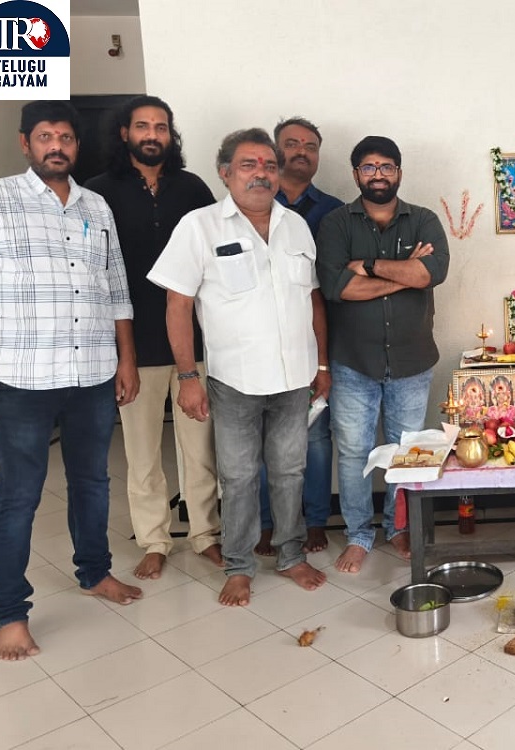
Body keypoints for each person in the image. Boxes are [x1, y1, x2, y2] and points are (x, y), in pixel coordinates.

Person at [0, 100, 143, 660]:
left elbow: (117, 289)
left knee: (92, 481)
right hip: (21, 377)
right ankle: (11, 613)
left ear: (76, 145)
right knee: (18, 495)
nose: (56, 147)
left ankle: (94, 572)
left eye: (65, 138)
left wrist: (126, 359)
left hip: (91, 371)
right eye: (45, 137)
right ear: (26, 143)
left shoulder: (96, 205)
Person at [147, 128, 329, 606]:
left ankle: (290, 555)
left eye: (269, 165)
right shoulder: (200, 226)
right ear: (225, 173)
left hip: (294, 378)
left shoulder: (296, 226)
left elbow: (312, 300)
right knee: (239, 476)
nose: (261, 174)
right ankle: (239, 566)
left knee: (290, 471)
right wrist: (189, 377)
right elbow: (178, 305)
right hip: (235, 380)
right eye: (249, 165)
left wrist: (321, 363)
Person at [85, 95, 221, 581]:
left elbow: (215, 259)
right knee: (141, 451)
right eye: (142, 126)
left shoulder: (193, 188)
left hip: (194, 344)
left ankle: (205, 534)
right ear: (125, 133)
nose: (152, 134)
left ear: (170, 134)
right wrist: (117, 352)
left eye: (160, 127)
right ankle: (154, 540)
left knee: (200, 448)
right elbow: (92, 272)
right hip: (132, 346)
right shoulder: (97, 192)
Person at [315, 135, 449, 571]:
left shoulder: (424, 220)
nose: (378, 174)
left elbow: (432, 273)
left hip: (411, 359)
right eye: (369, 167)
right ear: (356, 174)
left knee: (406, 451)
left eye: (386, 166)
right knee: (354, 452)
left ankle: (398, 526)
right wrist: (405, 274)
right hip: (352, 361)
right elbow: (338, 288)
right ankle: (358, 534)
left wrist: (368, 266)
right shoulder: (336, 224)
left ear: (399, 173)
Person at [252, 117, 344, 556]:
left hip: (318, 341)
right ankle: (268, 523)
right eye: (292, 144)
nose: (301, 152)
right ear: (275, 152)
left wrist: (323, 359)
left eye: (310, 145)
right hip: (262, 344)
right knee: (264, 441)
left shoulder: (336, 212)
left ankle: (314, 520)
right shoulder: (251, 205)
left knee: (316, 437)